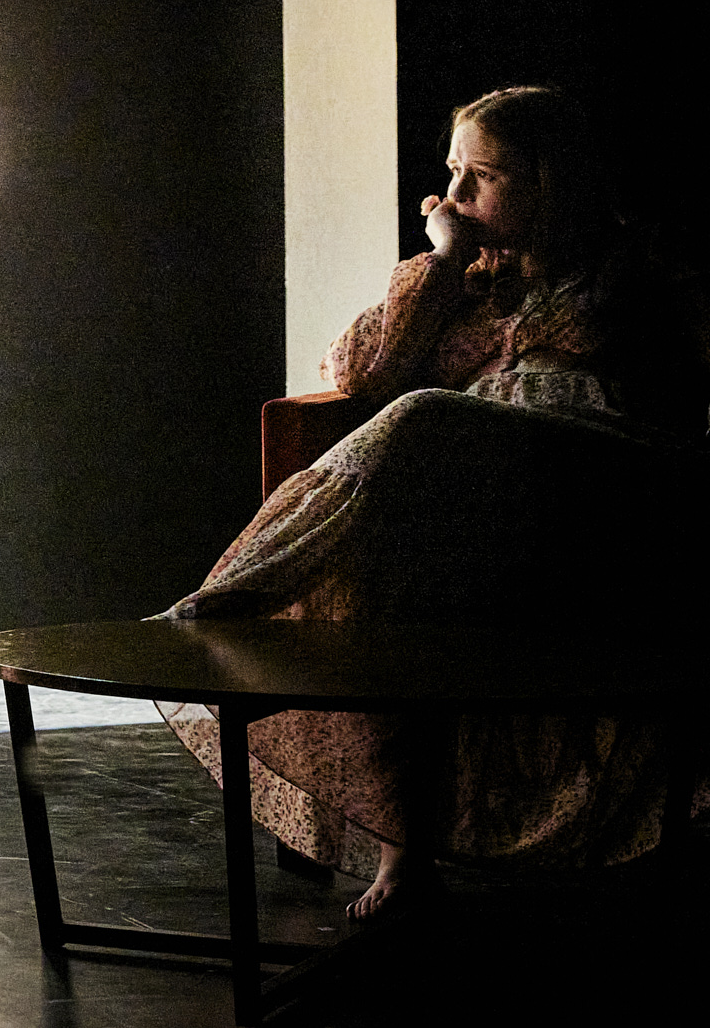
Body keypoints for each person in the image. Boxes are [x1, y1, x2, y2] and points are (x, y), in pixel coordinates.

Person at [160, 87, 706, 915]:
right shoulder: (466, 282)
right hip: (480, 515)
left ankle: (235, 593)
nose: (453, 195)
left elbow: (673, 403)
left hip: (604, 496)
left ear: (549, 183)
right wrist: (443, 265)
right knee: (385, 575)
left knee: (425, 416)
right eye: (451, 171)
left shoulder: (634, 275)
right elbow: (360, 372)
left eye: (482, 176)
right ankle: (403, 850)